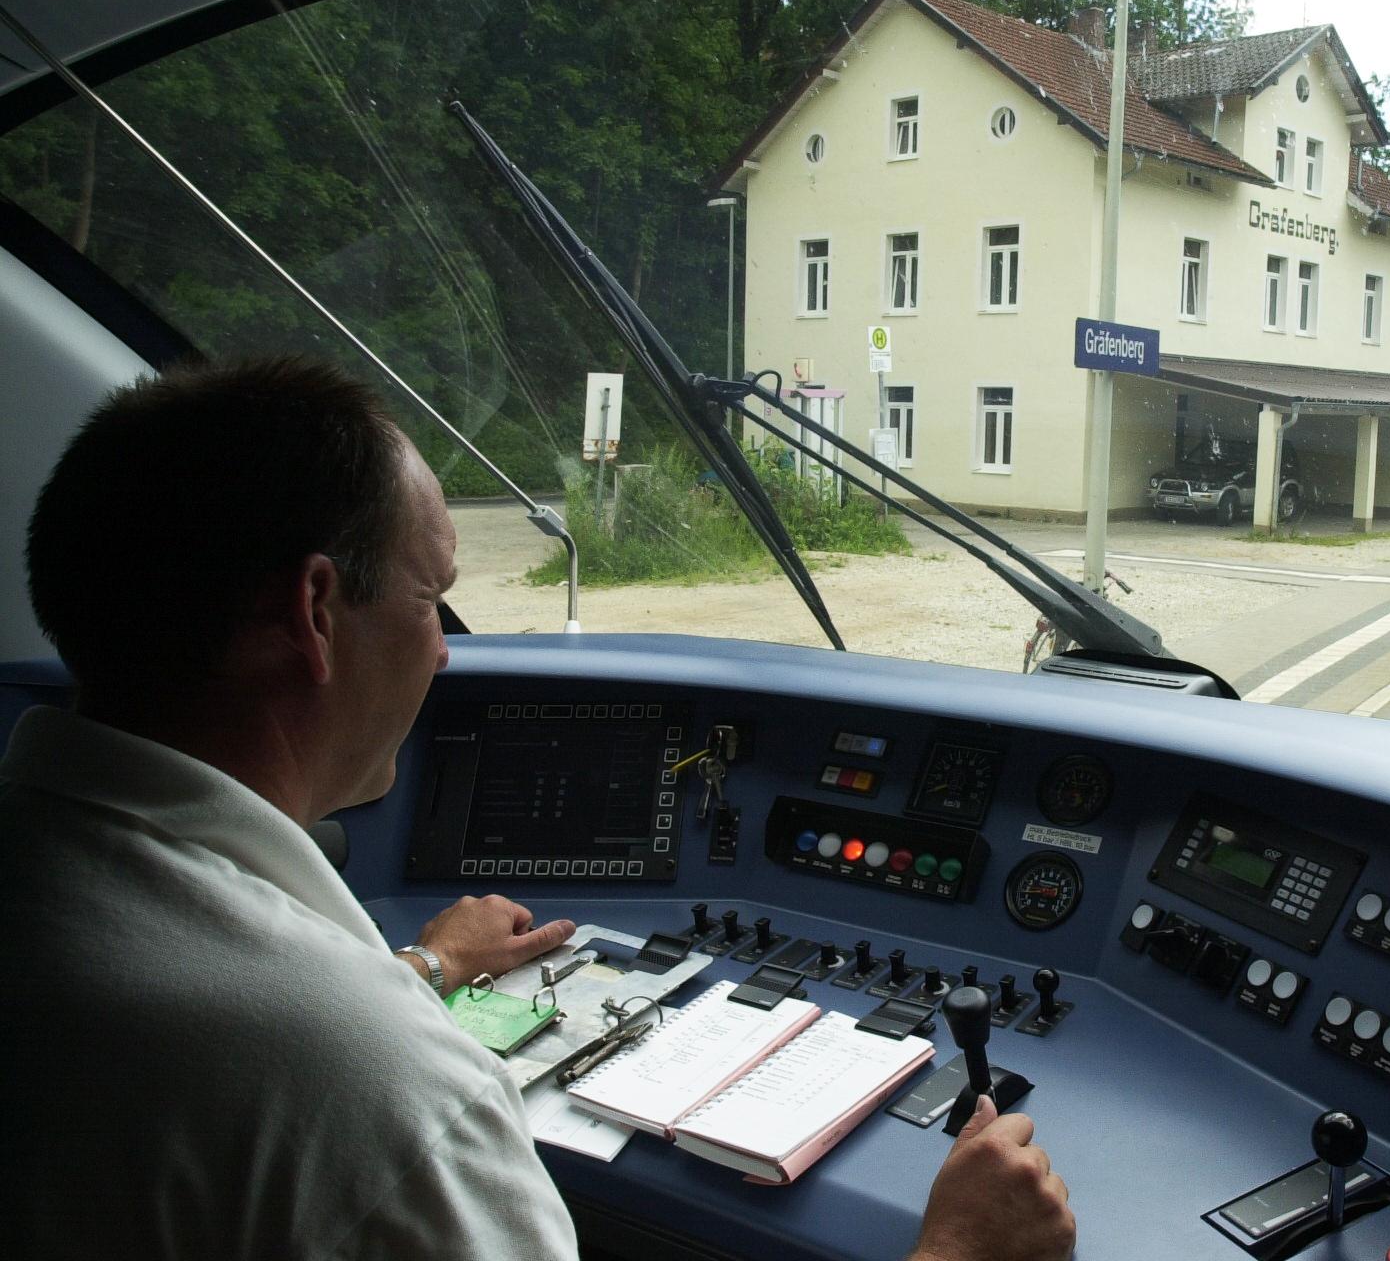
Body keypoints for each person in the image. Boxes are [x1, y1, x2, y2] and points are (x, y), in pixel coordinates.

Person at [0, 356, 1074, 1261]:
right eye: (431, 601)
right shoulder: (376, 1091)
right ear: (315, 613)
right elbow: (310, 1059)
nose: (444, 649)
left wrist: (417, 972)